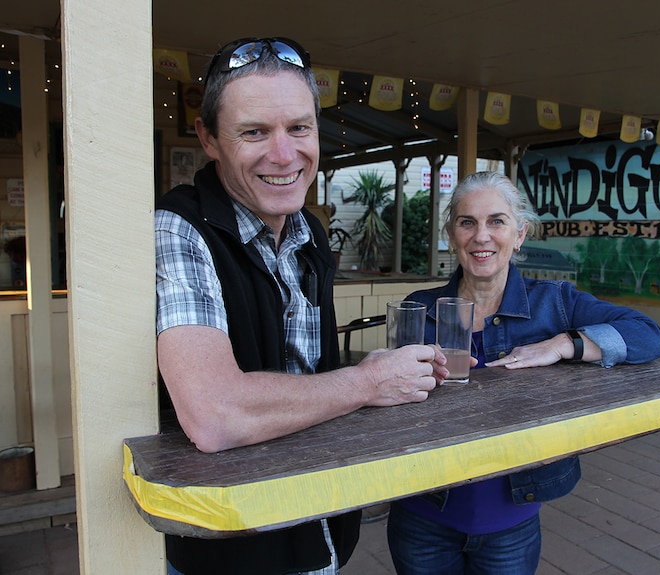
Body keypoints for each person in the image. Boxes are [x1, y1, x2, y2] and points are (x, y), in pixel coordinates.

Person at [155, 37, 446, 575]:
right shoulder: (179, 228)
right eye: (253, 132)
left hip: (320, 525)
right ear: (208, 139)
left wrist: (385, 379)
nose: (285, 155)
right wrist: (367, 383)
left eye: (299, 127)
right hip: (231, 544)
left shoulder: (307, 229)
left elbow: (308, 374)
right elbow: (214, 415)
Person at [386, 171, 660, 575]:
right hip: (422, 513)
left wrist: (562, 344)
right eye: (468, 222)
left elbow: (649, 336)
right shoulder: (420, 307)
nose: (481, 236)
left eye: (497, 222)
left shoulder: (555, 304)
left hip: (511, 524)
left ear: (520, 234)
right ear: (452, 233)